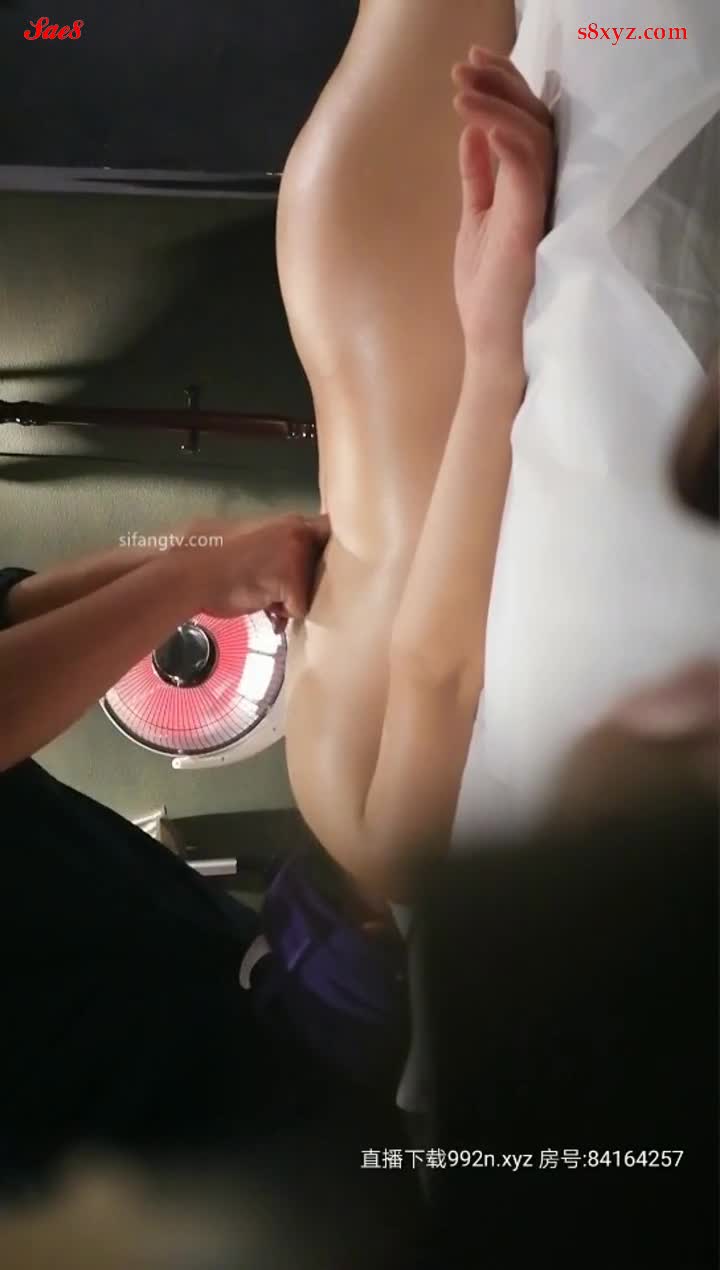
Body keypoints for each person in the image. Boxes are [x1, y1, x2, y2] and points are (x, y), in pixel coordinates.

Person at [0, 515, 413, 1197]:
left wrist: (195, 551)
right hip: (130, 1129)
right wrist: (195, 572)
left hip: (211, 958)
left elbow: (14, 608)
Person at [278, 0, 555, 898]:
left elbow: (439, 671)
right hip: (349, 270)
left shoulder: (391, 851)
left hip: (408, 276)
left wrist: (494, 351)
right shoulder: (320, 793)